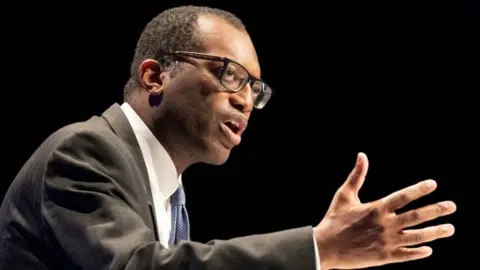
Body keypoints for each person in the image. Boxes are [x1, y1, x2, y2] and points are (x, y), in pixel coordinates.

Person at [0, 5, 456, 270]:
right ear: (156, 75)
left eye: (255, 91)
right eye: (229, 75)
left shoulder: (167, 195)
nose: (245, 101)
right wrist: (318, 248)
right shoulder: (83, 152)